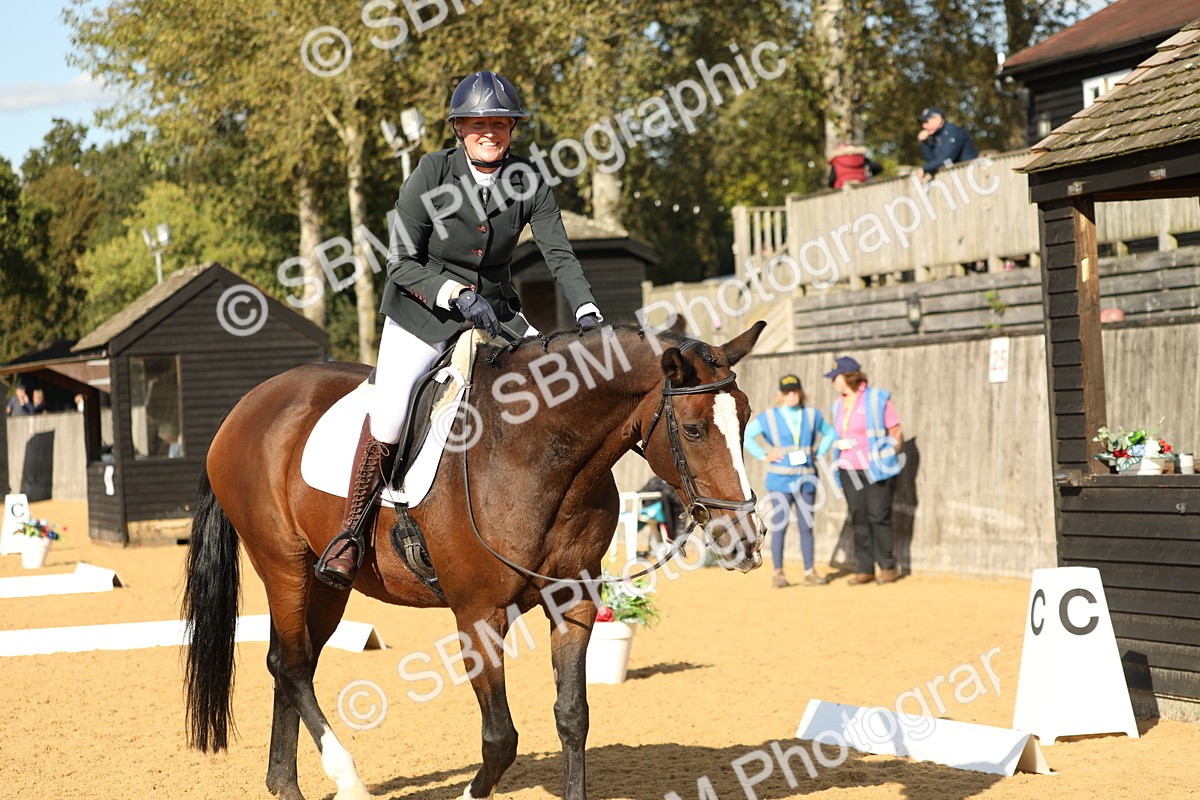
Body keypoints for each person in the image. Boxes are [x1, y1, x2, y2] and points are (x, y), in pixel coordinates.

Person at [315, 70, 604, 589]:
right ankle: (350, 533)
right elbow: (400, 261)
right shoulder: (430, 173)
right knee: (391, 412)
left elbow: (558, 251)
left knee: (554, 387)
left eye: (498, 122)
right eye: (477, 123)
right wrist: (454, 294)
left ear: (512, 129)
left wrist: (587, 312)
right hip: (422, 312)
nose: (488, 131)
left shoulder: (528, 178)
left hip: (496, 312)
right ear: (459, 128)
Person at [744, 374, 836, 588]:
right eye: (787, 391)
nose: (791, 394)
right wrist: (763, 455)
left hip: (806, 479)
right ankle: (778, 573)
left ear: (801, 392)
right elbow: (747, 436)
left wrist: (819, 452)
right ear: (781, 395)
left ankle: (810, 572)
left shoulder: (813, 415)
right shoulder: (768, 417)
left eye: (795, 390)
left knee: (806, 526)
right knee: (781, 526)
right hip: (780, 481)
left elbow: (831, 434)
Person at [825, 357, 904, 585]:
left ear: (848, 376)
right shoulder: (837, 405)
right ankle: (865, 568)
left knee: (878, 516)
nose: (833, 383)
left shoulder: (878, 398)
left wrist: (886, 454)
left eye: (835, 378)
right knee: (858, 517)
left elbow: (896, 431)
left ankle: (888, 566)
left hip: (875, 468)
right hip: (848, 469)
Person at [915, 107, 977, 180]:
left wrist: (924, 168)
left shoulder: (954, 132)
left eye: (926, 122)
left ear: (938, 119)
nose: (924, 126)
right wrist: (924, 143)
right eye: (922, 123)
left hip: (972, 176)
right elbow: (932, 161)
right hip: (956, 181)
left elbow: (947, 159)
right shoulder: (935, 136)